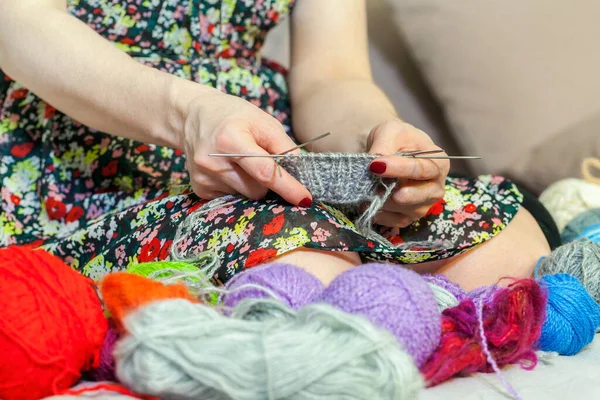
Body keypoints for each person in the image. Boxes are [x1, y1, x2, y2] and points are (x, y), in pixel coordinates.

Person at [0, 0, 556, 290]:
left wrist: (379, 139)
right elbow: (17, 24)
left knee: (507, 251)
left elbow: (329, 75)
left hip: (262, 150)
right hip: (75, 164)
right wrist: (188, 113)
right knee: (308, 271)